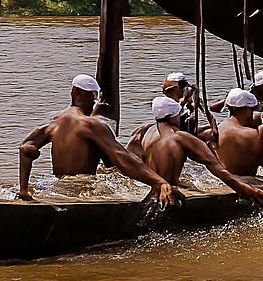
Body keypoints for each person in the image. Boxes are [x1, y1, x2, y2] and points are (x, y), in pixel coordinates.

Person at [17, 75, 166, 202]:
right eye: (94, 100)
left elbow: (26, 147)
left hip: (57, 186)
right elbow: (122, 158)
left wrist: (24, 188)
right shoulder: (91, 125)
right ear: (92, 96)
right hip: (81, 191)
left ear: (72, 93)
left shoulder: (54, 123)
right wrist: (159, 182)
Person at [126, 96, 263, 209]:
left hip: (150, 197)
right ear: (174, 117)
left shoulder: (145, 134)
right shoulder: (181, 138)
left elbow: (127, 163)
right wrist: (248, 190)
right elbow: (217, 168)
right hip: (171, 201)